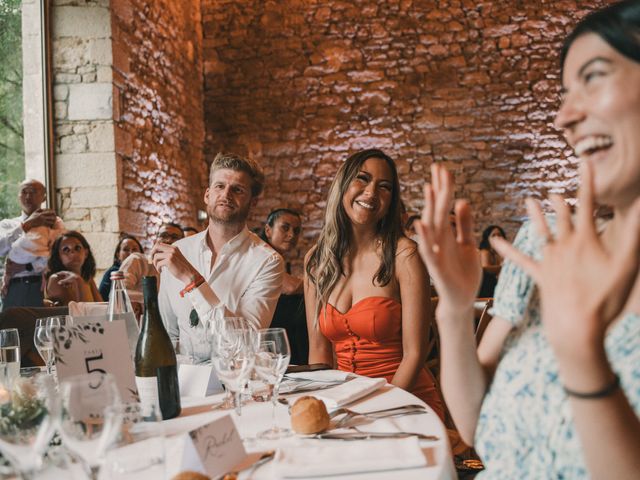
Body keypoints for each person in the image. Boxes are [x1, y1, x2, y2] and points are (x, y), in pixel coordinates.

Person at [414, 2, 640, 477]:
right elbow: (478, 426)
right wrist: (454, 308)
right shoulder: (544, 244)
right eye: (563, 92)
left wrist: (584, 360)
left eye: (593, 78)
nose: (564, 117)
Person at [305, 148, 444, 420]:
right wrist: (326, 406)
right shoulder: (316, 260)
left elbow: (414, 355)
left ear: (391, 200)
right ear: (342, 185)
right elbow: (319, 351)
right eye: (362, 179)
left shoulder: (405, 255)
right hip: (345, 404)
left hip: (404, 398)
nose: (371, 193)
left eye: (384, 187)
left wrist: (376, 411)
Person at [153, 153, 284, 360]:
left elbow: (247, 343)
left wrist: (192, 280)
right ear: (207, 195)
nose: (226, 195)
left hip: (235, 380)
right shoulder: (179, 251)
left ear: (253, 202)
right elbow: (168, 334)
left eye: (237, 189)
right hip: (185, 381)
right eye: (219, 186)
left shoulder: (267, 261)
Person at [0, 180, 64, 310]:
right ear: (18, 196)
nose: (28, 196)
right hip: (12, 287)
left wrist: (27, 266)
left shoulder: (55, 222)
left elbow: (59, 255)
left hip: (41, 286)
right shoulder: (7, 224)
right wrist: (26, 225)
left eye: (33, 192)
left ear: (44, 197)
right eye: (24, 192)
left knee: (40, 327)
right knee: (10, 327)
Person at [260, 208, 308, 364]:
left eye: (296, 230)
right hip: (267, 341)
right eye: (285, 227)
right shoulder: (261, 254)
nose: (291, 235)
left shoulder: (279, 259)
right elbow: (291, 287)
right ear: (268, 230)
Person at [119, 223, 184, 303]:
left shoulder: (183, 270)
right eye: (164, 235)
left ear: (183, 242)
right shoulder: (138, 261)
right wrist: (155, 301)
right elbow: (119, 292)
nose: (168, 240)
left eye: (175, 237)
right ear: (155, 241)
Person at [45, 231, 101, 306]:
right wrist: (78, 281)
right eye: (66, 249)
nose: (73, 253)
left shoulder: (87, 277)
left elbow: (101, 308)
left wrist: (78, 280)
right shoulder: (57, 279)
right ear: (59, 256)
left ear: (86, 253)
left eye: (77, 248)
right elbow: (82, 313)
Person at [98, 234, 143, 301]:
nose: (131, 253)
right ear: (118, 255)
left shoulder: (144, 271)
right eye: (126, 249)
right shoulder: (114, 272)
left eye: (134, 249)